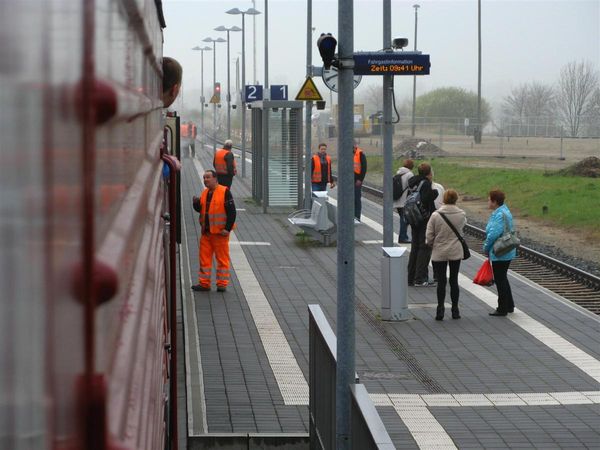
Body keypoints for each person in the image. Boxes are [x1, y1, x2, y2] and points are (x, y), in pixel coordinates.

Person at [192, 170, 237, 292]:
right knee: (204, 259)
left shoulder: (224, 191)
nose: (205, 180)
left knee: (222, 259)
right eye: (204, 178)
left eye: (208, 177)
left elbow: (232, 212)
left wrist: (227, 229)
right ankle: (204, 283)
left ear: (215, 178)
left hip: (220, 234)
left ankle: (222, 284)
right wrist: (195, 204)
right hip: (206, 233)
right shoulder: (205, 192)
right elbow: (202, 209)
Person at [426, 189, 467, 320]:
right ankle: (455, 310)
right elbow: (461, 230)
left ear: (444, 199)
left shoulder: (436, 215)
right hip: (455, 250)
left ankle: (440, 310)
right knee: (454, 280)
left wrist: (433, 244)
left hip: (440, 251)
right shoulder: (461, 215)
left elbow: (429, 235)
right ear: (456, 199)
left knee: (441, 282)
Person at [483, 189, 516, 316]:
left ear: (494, 201)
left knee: (500, 279)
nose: (487, 201)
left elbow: (493, 234)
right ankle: (509, 305)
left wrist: (486, 247)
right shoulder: (504, 211)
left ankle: (502, 308)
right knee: (503, 278)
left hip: (500, 251)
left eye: (489, 199)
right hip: (507, 250)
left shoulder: (499, 215)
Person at [407, 162, 438, 287]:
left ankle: (411, 277)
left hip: (414, 218)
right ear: (429, 173)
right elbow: (425, 200)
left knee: (415, 248)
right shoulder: (425, 183)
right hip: (424, 220)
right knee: (424, 248)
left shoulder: (413, 182)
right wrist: (434, 193)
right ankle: (420, 278)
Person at [392, 159, 414, 243]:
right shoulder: (409, 174)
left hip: (398, 200)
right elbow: (412, 187)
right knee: (405, 219)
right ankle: (402, 237)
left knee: (403, 218)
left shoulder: (398, 172)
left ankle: (403, 236)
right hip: (404, 201)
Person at [353, 142, 367, 223]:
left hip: (356, 180)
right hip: (348, 181)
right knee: (349, 199)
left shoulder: (361, 154)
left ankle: (357, 217)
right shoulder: (347, 153)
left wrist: (360, 179)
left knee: (356, 199)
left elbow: (364, 168)